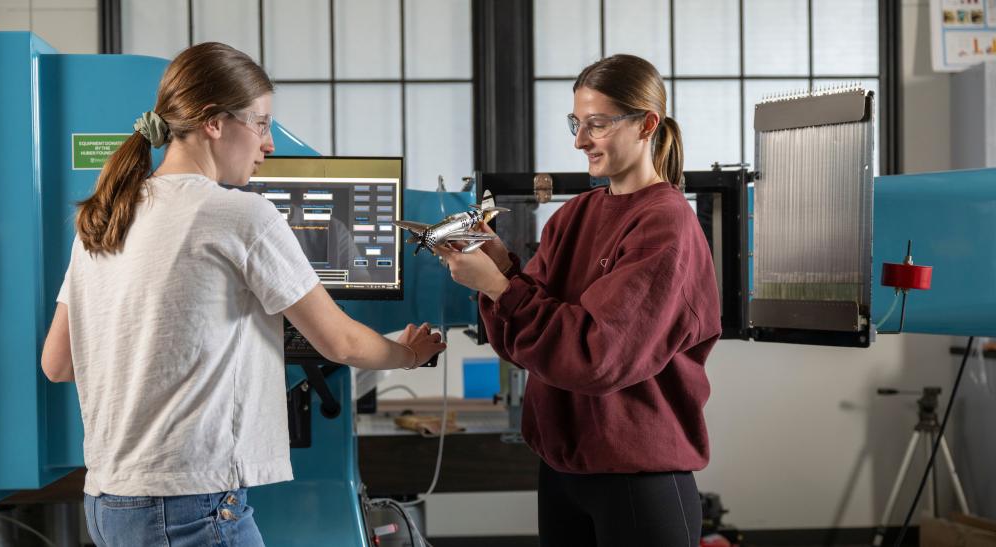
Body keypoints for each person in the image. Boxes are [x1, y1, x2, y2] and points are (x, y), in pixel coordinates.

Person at [40, 42, 445, 547]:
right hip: (192, 509)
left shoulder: (103, 217)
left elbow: (58, 362)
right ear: (213, 122)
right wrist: (408, 354)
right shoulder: (240, 215)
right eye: (261, 123)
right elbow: (338, 341)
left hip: (110, 504)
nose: (268, 143)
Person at [436, 54, 721, 547]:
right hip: (564, 468)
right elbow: (524, 343)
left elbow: (597, 358)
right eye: (576, 122)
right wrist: (501, 266)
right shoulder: (575, 215)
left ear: (647, 124)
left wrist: (501, 287)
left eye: (597, 124)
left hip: (638, 477)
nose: (579, 140)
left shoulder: (665, 223)